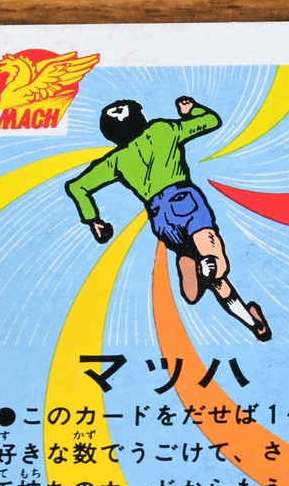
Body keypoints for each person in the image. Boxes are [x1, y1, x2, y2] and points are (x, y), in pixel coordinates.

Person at [65, 95, 271, 341]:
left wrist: (93, 220)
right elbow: (211, 121)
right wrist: (191, 110)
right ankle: (208, 266)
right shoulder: (162, 130)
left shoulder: (116, 160)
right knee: (215, 263)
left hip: (160, 219)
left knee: (199, 289)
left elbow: (77, 187)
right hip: (185, 201)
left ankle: (253, 321)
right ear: (140, 117)